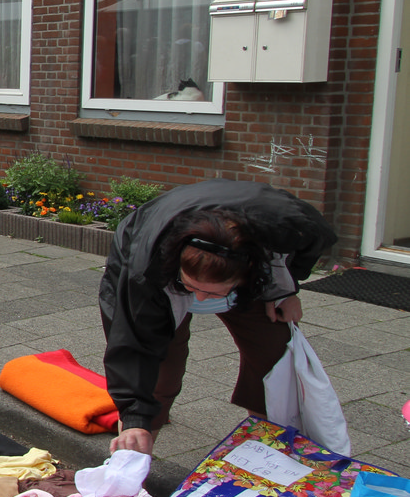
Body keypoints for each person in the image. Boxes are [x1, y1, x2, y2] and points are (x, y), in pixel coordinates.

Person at [100, 180, 337, 457]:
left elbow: (314, 240)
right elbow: (133, 346)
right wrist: (134, 419)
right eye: (191, 287)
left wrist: (285, 290)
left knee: (274, 353)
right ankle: (137, 450)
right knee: (162, 369)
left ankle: (266, 448)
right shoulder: (143, 270)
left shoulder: (291, 226)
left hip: (251, 247)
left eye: (212, 293)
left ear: (249, 272)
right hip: (154, 256)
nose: (200, 300)